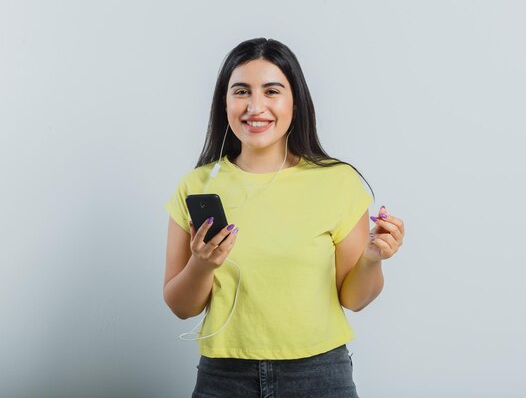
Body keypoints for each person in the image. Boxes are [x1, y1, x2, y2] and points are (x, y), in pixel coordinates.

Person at [163, 38, 405, 398]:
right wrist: (201, 264)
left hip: (319, 375)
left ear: (296, 101)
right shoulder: (196, 186)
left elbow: (353, 299)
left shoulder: (337, 182)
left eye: (272, 91)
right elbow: (181, 307)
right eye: (241, 91)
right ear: (224, 102)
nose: (255, 106)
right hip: (224, 378)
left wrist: (372, 258)